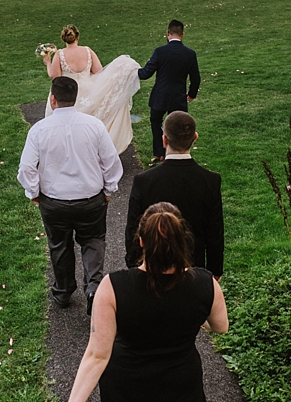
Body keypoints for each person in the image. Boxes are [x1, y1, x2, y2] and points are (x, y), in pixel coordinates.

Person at [58, 203, 228, 402]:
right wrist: (198, 313)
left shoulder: (113, 287)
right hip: (177, 387)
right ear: (181, 241)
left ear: (141, 242)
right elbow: (220, 326)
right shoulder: (205, 284)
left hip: (125, 385)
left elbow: (97, 355)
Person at [17, 76, 123, 315]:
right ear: (75, 99)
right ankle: (93, 287)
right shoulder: (94, 125)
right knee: (93, 241)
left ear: (53, 99)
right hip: (91, 199)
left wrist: (33, 192)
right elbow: (111, 162)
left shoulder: (39, 130)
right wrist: (109, 189)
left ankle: (63, 291)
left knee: (59, 245)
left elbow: (26, 168)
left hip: (54, 202)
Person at [125, 111, 224, 278]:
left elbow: (134, 230)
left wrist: (134, 266)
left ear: (164, 140)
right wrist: (215, 271)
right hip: (193, 270)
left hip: (152, 268)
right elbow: (214, 233)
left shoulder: (144, 181)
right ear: (195, 138)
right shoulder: (210, 181)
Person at [42, 24, 140, 155]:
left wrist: (48, 63)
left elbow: (55, 76)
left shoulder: (60, 54)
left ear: (63, 39)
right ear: (77, 37)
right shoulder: (88, 51)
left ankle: (64, 150)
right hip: (88, 91)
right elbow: (99, 72)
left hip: (68, 91)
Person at [138, 20, 200, 164]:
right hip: (178, 97)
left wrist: (132, 71)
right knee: (178, 126)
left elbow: (146, 73)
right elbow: (195, 77)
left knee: (156, 122)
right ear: (182, 34)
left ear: (167, 33)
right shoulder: (190, 54)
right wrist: (192, 94)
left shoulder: (160, 51)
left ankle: (160, 154)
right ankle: (177, 154)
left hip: (160, 96)